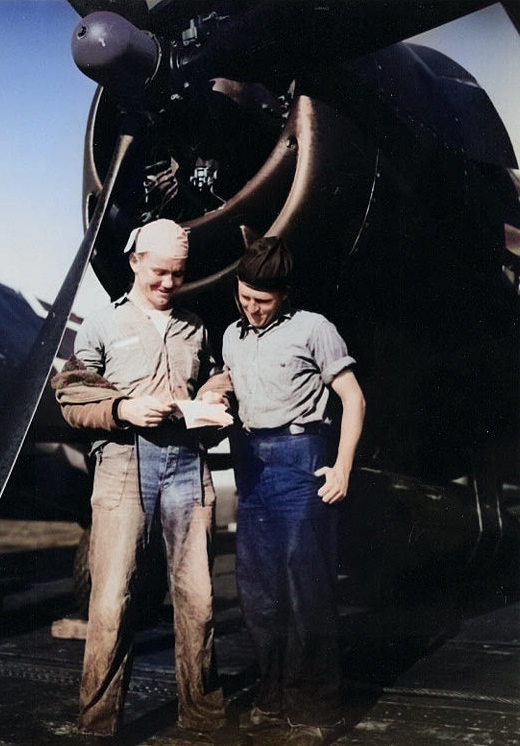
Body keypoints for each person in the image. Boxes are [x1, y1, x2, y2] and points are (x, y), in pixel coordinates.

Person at [52, 219, 229, 739]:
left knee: (198, 600)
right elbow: (71, 394)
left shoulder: (195, 326)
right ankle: (98, 726)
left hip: (187, 467)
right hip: (124, 466)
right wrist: (123, 406)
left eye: (177, 274)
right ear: (134, 261)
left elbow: (215, 376)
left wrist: (217, 394)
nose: (168, 284)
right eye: (159, 272)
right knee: (111, 600)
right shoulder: (102, 326)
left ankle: (202, 719)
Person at [222, 236, 366, 746]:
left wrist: (342, 466)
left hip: (301, 460)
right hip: (251, 466)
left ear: (283, 293)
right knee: (258, 593)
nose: (252, 310)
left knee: (307, 589)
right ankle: (274, 694)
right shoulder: (232, 336)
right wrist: (213, 389)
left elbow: (354, 399)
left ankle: (316, 710)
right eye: (244, 299)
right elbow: (236, 384)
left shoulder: (314, 329)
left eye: (262, 301)